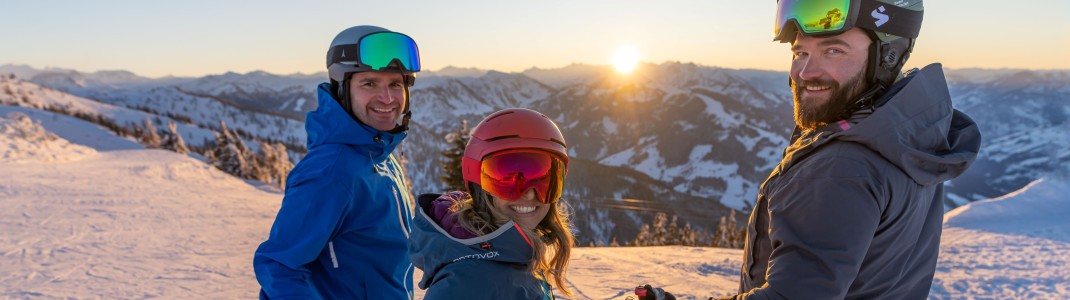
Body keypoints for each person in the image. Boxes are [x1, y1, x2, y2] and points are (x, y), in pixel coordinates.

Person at [644, 0, 981, 299]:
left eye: (833, 50)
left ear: (887, 56)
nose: (805, 72)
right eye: (799, 52)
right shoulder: (908, 140)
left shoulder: (839, 169)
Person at [253, 25, 422, 299]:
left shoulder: (378, 154)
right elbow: (279, 266)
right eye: (369, 83)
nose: (388, 98)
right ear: (343, 89)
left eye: (395, 84)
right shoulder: (331, 171)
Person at [409, 108, 576, 299]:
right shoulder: (466, 283)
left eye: (544, 180)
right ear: (479, 187)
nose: (529, 195)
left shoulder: (513, 256)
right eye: (508, 180)